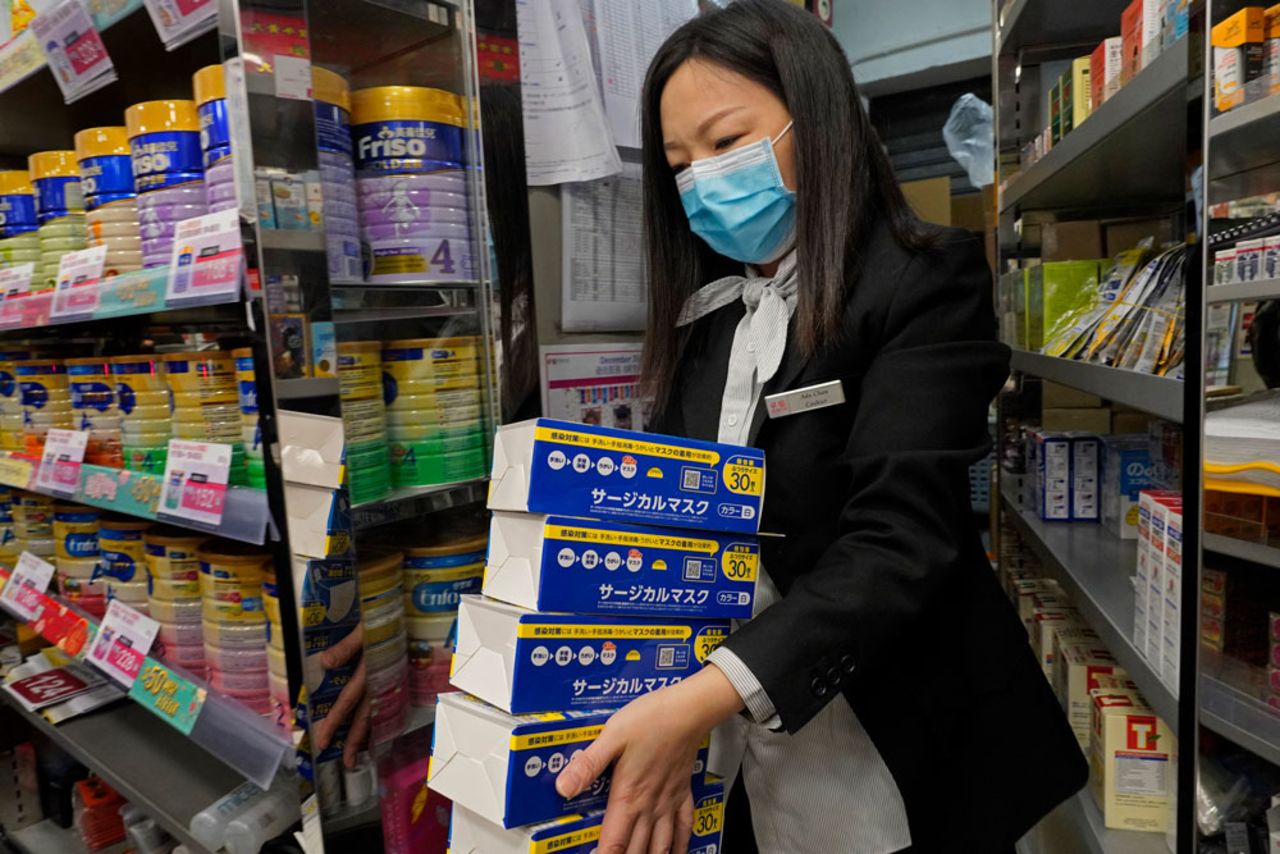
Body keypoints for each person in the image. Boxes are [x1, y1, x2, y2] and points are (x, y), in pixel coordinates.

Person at [552, 2, 1087, 852]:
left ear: (822, 121)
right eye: (679, 163)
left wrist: (702, 696)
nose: (701, 181)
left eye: (726, 143)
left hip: (891, 719)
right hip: (733, 741)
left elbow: (897, 539)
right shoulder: (707, 318)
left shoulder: (921, 282)